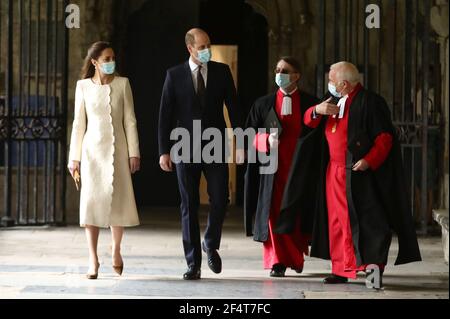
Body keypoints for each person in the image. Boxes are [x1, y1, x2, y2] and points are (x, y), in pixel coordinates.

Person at [276, 61, 421, 288]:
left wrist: (368, 161)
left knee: (370, 224)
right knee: (336, 223)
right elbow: (307, 121)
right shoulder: (331, 99)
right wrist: (316, 110)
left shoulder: (371, 102)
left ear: (343, 84)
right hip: (333, 173)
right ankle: (341, 270)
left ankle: (373, 274)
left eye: (332, 81)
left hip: (360, 174)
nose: (329, 85)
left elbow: (385, 138)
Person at [158, 28, 245, 280]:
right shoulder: (174, 75)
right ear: (190, 48)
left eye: (208, 45)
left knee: (220, 198)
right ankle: (193, 263)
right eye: (202, 46)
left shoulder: (221, 71)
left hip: (215, 144)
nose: (206, 49)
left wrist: (241, 142)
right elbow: (165, 116)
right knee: (189, 204)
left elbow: (235, 108)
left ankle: (210, 242)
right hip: (184, 146)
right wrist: (164, 151)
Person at [68, 41, 141, 279]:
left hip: (118, 151)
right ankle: (93, 259)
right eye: (106, 59)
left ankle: (116, 250)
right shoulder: (83, 87)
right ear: (94, 63)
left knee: (117, 201)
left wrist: (134, 152)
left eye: (112, 58)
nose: (111, 62)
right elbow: (79, 124)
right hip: (91, 154)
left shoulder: (123, 84)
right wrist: (74, 158)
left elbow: (130, 120)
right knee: (91, 204)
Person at [244, 57, 318, 277]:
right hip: (271, 171)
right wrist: (264, 140)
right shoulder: (262, 104)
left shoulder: (310, 103)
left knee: (296, 214)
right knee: (273, 214)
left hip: (299, 170)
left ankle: (294, 258)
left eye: (285, 70)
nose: (280, 73)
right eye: (277, 69)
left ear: (296, 76)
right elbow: (248, 135)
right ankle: (277, 261)